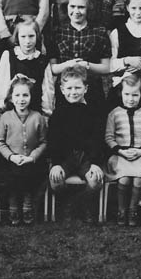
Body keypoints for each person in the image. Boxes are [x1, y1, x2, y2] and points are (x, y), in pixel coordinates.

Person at [48, 65, 104, 224]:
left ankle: (82, 204)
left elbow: (97, 139)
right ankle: (67, 203)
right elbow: (53, 140)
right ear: (62, 89)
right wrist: (56, 163)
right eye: (69, 88)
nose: (73, 92)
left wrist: (95, 163)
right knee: (55, 181)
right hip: (65, 158)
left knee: (95, 181)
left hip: (86, 158)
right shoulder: (58, 114)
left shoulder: (93, 112)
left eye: (78, 87)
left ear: (85, 88)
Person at [104, 74, 141, 226]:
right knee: (124, 179)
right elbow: (109, 137)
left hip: (140, 155)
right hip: (120, 155)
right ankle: (122, 210)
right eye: (127, 94)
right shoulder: (114, 114)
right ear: (121, 93)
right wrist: (120, 150)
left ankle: (133, 210)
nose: (131, 98)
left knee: (139, 179)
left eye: (135, 95)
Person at [48, 0, 110, 113]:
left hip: (92, 92)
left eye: (81, 7)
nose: (76, 11)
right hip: (66, 92)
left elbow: (106, 68)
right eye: (72, 6)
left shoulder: (99, 32)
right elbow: (52, 69)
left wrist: (87, 65)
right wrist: (67, 65)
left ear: (88, 9)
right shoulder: (58, 32)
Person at [0, 76, 48, 226]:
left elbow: (43, 142)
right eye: (17, 95)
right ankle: (13, 207)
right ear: (11, 98)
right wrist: (11, 157)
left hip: (31, 160)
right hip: (11, 161)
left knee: (30, 176)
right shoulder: (5, 117)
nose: (21, 99)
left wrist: (32, 157)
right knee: (10, 178)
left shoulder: (38, 117)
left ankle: (27, 204)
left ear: (31, 96)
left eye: (25, 95)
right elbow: (1, 142)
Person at [0, 18, 54, 116]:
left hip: (35, 111)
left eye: (31, 36)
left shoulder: (42, 60)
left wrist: (46, 112)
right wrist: (1, 105)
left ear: (37, 36)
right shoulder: (9, 56)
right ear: (17, 37)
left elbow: (47, 89)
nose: (27, 41)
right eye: (23, 36)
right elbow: (2, 83)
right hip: (12, 111)